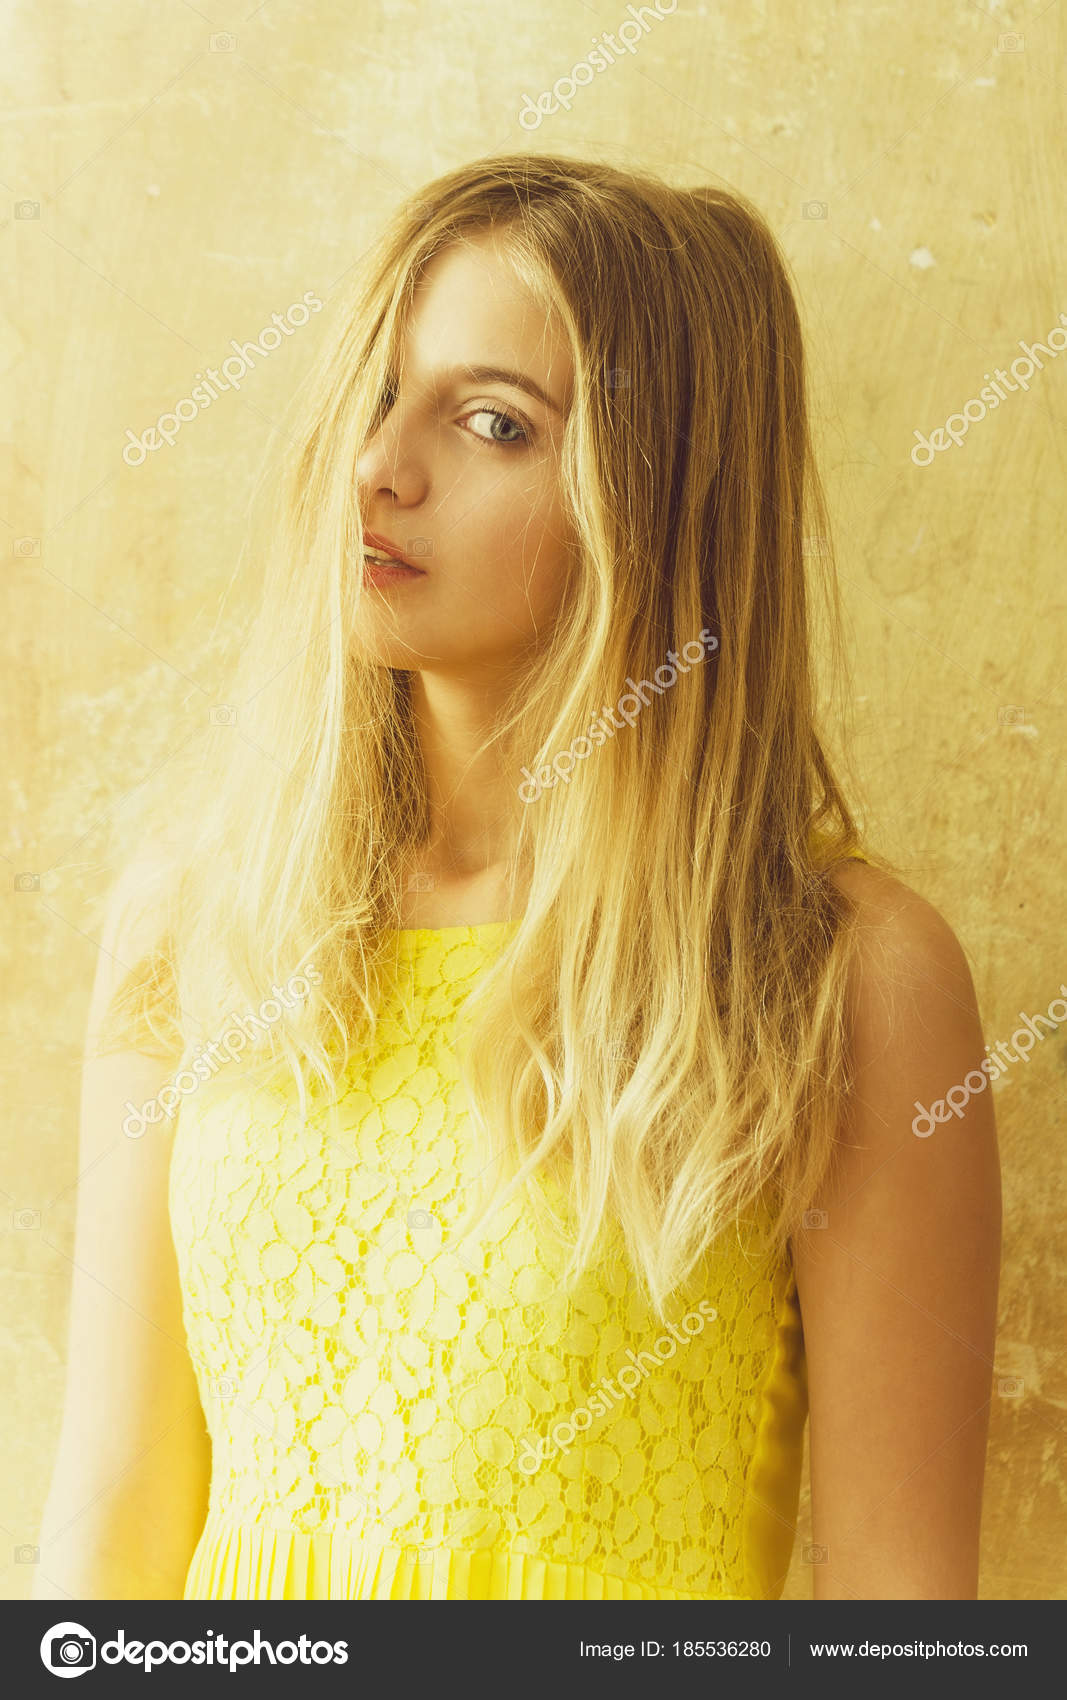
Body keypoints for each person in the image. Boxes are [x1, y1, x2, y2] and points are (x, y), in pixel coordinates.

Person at [34, 154, 1001, 1602]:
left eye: (492, 421)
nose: (379, 467)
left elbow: (905, 1620)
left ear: (665, 498)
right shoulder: (198, 917)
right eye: (377, 393)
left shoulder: (841, 974)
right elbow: (107, 1531)